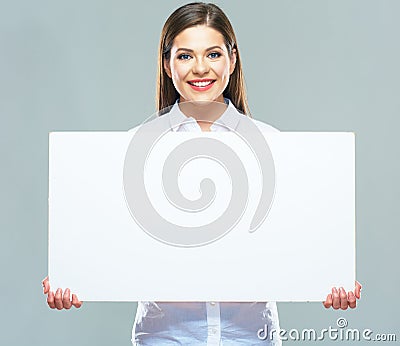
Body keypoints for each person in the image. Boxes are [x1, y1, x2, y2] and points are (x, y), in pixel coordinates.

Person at [42, 2, 362, 345]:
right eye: (184, 56)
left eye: (212, 54)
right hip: (165, 338)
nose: (199, 69)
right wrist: (72, 277)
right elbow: (103, 241)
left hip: (252, 337)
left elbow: (301, 243)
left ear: (232, 59)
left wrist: (331, 278)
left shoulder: (272, 146)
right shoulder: (135, 149)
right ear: (167, 64)